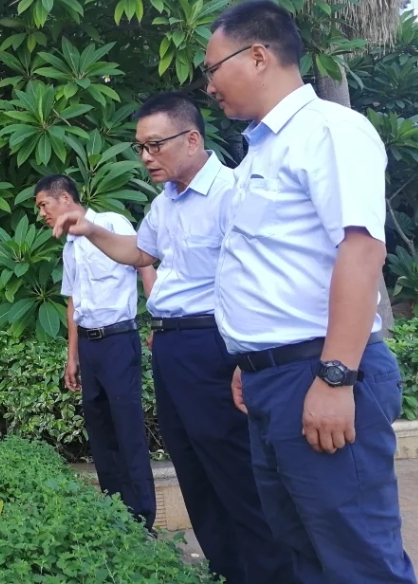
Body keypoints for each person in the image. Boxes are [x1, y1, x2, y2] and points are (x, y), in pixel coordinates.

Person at [205, 0, 416, 584]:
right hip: (275, 380)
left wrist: (336, 376)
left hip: (318, 375)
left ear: (258, 56)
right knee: (305, 556)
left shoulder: (329, 130)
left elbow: (361, 251)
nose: (209, 86)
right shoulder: (261, 150)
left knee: (359, 562)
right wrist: (254, 358)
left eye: (212, 68)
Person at [52, 93, 295, 584]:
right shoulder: (166, 202)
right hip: (171, 347)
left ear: (192, 139)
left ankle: (271, 574)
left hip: (214, 344)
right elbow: (141, 253)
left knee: (235, 472)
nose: (146, 157)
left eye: (155, 145)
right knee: (194, 470)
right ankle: (226, 572)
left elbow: (255, 279)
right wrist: (90, 229)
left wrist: (243, 354)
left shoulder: (231, 193)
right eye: (140, 147)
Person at [35, 174, 158, 530]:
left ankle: (142, 520)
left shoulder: (111, 223)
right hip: (89, 346)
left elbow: (144, 264)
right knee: (101, 431)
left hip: (119, 341)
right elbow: (74, 303)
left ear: (64, 198)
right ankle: (115, 513)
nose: (41, 213)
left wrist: (158, 319)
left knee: (127, 428)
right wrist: (72, 356)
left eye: (44, 204)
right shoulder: (70, 246)